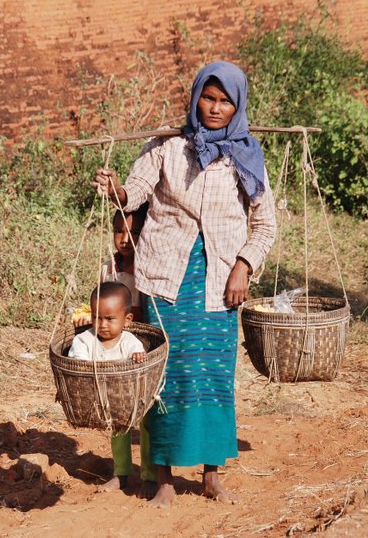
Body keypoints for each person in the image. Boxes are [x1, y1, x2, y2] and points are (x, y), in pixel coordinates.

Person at [92, 61, 276, 508]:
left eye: (224, 101)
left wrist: (244, 267)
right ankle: (165, 480)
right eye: (207, 99)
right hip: (165, 277)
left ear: (237, 105)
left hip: (220, 280)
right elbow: (134, 193)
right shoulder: (165, 148)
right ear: (195, 99)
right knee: (167, 378)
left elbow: (265, 225)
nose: (214, 108)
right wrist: (116, 189)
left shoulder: (246, 155)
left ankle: (212, 476)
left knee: (213, 375)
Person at [68, 276, 156, 496]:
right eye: (97, 317)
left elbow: (140, 356)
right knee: (118, 432)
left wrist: (138, 356)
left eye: (109, 319)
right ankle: (121, 473)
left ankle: (150, 476)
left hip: (135, 396)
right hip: (108, 400)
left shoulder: (130, 341)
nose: (102, 325)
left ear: (127, 320)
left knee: (148, 429)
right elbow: (78, 360)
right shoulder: (85, 340)